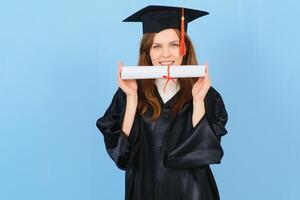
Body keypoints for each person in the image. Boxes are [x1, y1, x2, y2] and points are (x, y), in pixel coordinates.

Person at [96, 5, 228, 200]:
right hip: (145, 190)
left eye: (174, 44)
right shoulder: (129, 92)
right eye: (156, 46)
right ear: (147, 51)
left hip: (192, 191)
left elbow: (203, 152)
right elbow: (122, 156)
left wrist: (198, 101)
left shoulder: (207, 94)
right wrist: (132, 100)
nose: (165, 54)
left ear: (184, 48)